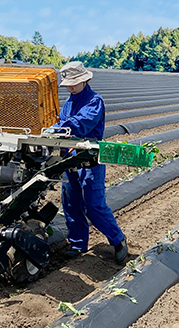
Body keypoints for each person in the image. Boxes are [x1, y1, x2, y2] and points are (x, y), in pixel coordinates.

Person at [53, 61, 128, 263]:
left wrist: (60, 128)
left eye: (74, 83)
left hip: (90, 161)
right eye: (68, 83)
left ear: (85, 80)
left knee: (94, 206)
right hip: (70, 159)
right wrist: (53, 128)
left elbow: (81, 124)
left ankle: (118, 239)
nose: (70, 87)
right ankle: (78, 243)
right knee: (71, 203)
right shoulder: (69, 102)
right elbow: (62, 122)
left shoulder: (95, 101)